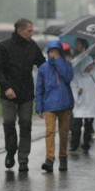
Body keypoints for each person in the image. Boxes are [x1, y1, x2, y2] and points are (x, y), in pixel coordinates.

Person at [0, 18, 46, 172]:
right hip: (8, 92)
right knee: (9, 122)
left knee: (26, 124)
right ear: (19, 30)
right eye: (29, 30)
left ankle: (23, 159)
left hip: (26, 92)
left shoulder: (32, 45)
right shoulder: (3, 46)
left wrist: (55, 64)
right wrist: (6, 86)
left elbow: (41, 63)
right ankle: (10, 151)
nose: (32, 33)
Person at [35, 40, 75, 172]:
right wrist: (39, 106)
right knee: (50, 131)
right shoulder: (43, 68)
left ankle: (63, 157)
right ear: (48, 52)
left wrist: (58, 61)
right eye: (51, 51)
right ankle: (49, 159)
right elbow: (39, 88)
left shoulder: (67, 65)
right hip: (49, 104)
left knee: (63, 132)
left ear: (60, 52)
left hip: (65, 103)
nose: (54, 54)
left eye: (56, 51)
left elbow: (68, 78)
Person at [69, 55, 95, 154]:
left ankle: (86, 145)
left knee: (88, 127)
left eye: (91, 65)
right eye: (89, 65)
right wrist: (77, 91)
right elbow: (72, 87)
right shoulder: (76, 76)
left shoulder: (94, 76)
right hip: (79, 106)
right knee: (76, 127)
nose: (90, 67)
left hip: (90, 105)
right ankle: (74, 144)